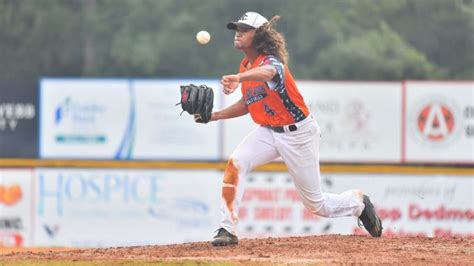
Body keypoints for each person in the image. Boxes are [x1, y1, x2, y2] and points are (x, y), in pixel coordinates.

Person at [206, 12, 383, 246]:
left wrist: (239, 77)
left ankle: (358, 204)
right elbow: (248, 103)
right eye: (236, 28)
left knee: (316, 204)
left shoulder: (271, 62)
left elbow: (269, 73)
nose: (238, 32)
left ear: (259, 36)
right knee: (236, 163)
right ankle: (227, 229)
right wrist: (214, 116)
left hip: (298, 134)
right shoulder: (246, 66)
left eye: (245, 29)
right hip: (269, 131)